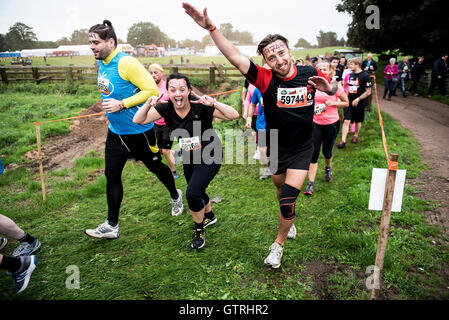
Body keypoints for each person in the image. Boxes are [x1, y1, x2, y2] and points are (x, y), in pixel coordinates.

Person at [183, 2, 337, 268]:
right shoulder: (266, 79)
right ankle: (287, 219)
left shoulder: (309, 73)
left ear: (290, 51)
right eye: (271, 57)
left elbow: (332, 87)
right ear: (266, 61)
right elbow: (236, 58)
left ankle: (278, 244)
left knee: (288, 200)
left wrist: (330, 87)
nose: (279, 60)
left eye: (281, 53)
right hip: (277, 145)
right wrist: (212, 29)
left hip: (302, 147)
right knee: (279, 189)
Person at [84, 20, 183, 240]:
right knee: (111, 176)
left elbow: (150, 91)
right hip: (116, 133)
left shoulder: (126, 63)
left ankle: (176, 195)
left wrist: (122, 104)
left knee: (156, 168)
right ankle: (112, 225)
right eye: (90, 42)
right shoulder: (101, 62)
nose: (92, 46)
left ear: (111, 41)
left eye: (96, 42)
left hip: (141, 132)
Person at [133, 73, 239, 249]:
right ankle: (210, 216)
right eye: (173, 90)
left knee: (192, 193)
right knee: (196, 189)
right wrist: (148, 104)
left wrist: (213, 102)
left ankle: (199, 229)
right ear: (167, 92)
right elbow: (138, 119)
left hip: (210, 152)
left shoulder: (201, 106)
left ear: (189, 90)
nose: (178, 94)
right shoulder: (165, 108)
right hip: (189, 153)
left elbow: (233, 115)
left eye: (182, 89)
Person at [304, 61, 349, 195]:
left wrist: (333, 102)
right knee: (314, 152)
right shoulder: (310, 87)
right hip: (315, 124)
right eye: (320, 68)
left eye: (325, 69)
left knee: (327, 151)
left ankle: (328, 167)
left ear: (330, 71)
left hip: (331, 124)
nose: (322, 71)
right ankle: (310, 183)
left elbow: (346, 103)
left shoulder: (334, 86)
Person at [148, 63, 179, 179]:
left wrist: (163, 103)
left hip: (168, 124)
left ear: (162, 73)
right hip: (156, 124)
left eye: (156, 72)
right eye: (151, 73)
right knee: (161, 150)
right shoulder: (150, 88)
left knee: (165, 151)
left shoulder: (168, 87)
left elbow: (175, 101)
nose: (153, 75)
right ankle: (176, 153)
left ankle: (173, 172)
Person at [337, 57, 372, 148]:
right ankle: (343, 141)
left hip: (359, 102)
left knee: (357, 120)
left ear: (357, 65)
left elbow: (368, 91)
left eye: (351, 64)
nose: (349, 66)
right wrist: (345, 98)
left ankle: (356, 135)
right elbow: (348, 87)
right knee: (346, 120)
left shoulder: (365, 76)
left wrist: (358, 99)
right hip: (349, 101)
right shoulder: (351, 74)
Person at [246, 87, 270, 180]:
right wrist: (249, 118)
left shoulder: (279, 87)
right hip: (261, 124)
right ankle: (268, 168)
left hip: (277, 124)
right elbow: (252, 104)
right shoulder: (258, 90)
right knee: (262, 149)